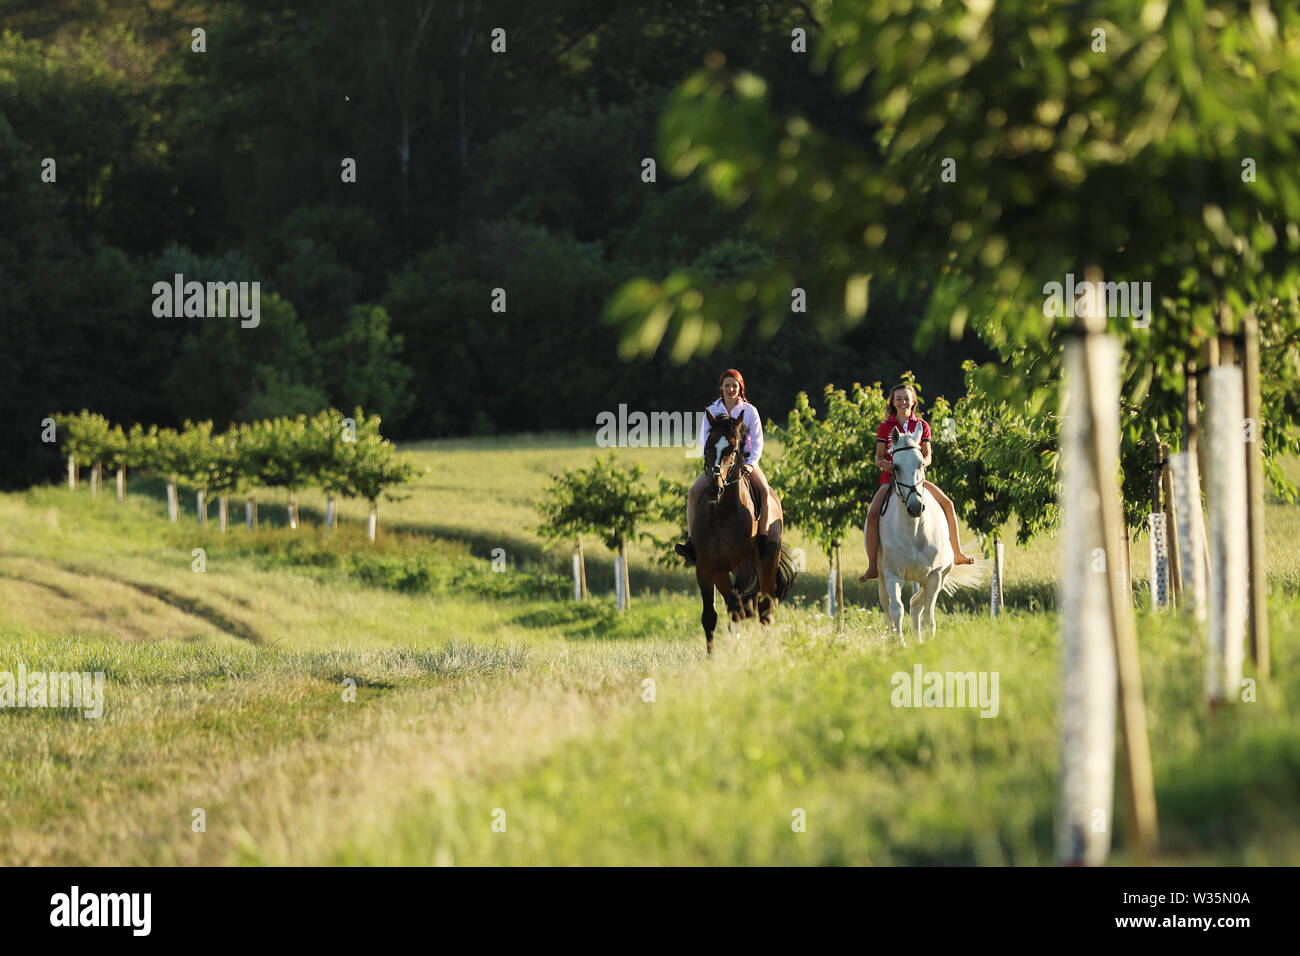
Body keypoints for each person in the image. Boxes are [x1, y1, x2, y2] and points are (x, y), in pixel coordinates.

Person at [859, 383, 975, 581]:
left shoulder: (922, 425)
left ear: (913, 401)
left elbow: (928, 456)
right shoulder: (885, 427)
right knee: (872, 514)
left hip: (917, 480)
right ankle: (872, 566)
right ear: (893, 403)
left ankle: (956, 553)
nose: (903, 402)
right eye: (898, 399)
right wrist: (886, 464)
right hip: (891, 481)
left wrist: (920, 463)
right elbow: (878, 458)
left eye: (906, 398)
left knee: (948, 503)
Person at [675, 368, 777, 565]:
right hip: (719, 463)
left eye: (734, 386)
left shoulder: (749, 411)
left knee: (764, 491)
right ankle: (691, 543)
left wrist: (750, 464)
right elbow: (705, 440)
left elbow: (757, 442)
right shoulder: (712, 411)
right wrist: (713, 463)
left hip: (745, 462)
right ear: (721, 387)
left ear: (740, 388)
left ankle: (763, 539)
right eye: (727, 385)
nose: (731, 389)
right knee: (693, 493)